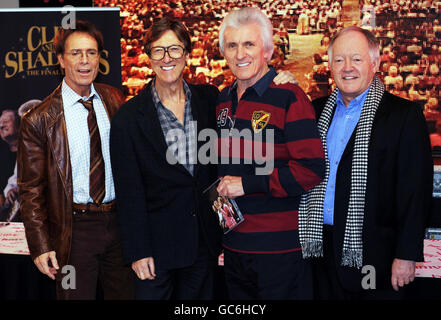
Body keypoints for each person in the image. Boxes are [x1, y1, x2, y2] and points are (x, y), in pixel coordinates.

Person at [110, 17, 296, 300]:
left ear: (186, 54)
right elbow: (128, 191)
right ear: (149, 56)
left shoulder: (210, 100)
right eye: (158, 50)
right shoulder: (127, 117)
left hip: (204, 243)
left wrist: (281, 79)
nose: (167, 58)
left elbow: (216, 171)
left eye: (174, 49)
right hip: (156, 249)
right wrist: (138, 250)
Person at [299, 26, 433, 300]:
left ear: (375, 63)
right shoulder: (314, 111)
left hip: (376, 258)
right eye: (339, 60)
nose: (347, 68)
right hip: (318, 251)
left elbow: (414, 192)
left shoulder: (403, 116)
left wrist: (406, 255)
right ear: (330, 66)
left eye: (356, 59)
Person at [18, 20, 134, 300]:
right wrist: (40, 244)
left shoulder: (115, 99)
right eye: (76, 53)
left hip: (119, 226)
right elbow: (30, 190)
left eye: (91, 53)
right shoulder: (39, 120)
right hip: (74, 232)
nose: (85, 61)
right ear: (61, 60)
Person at [215, 7, 325, 300]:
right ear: (223, 52)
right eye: (232, 45)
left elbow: (311, 170)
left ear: (267, 50)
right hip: (234, 248)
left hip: (278, 252)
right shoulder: (223, 100)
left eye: (249, 44)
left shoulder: (290, 96)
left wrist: (247, 184)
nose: (240, 54)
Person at [0, 109, 19, 221]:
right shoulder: (2, 155)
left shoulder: (31, 150)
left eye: (6, 121)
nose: (1, 125)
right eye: (0, 123)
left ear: (18, 124)